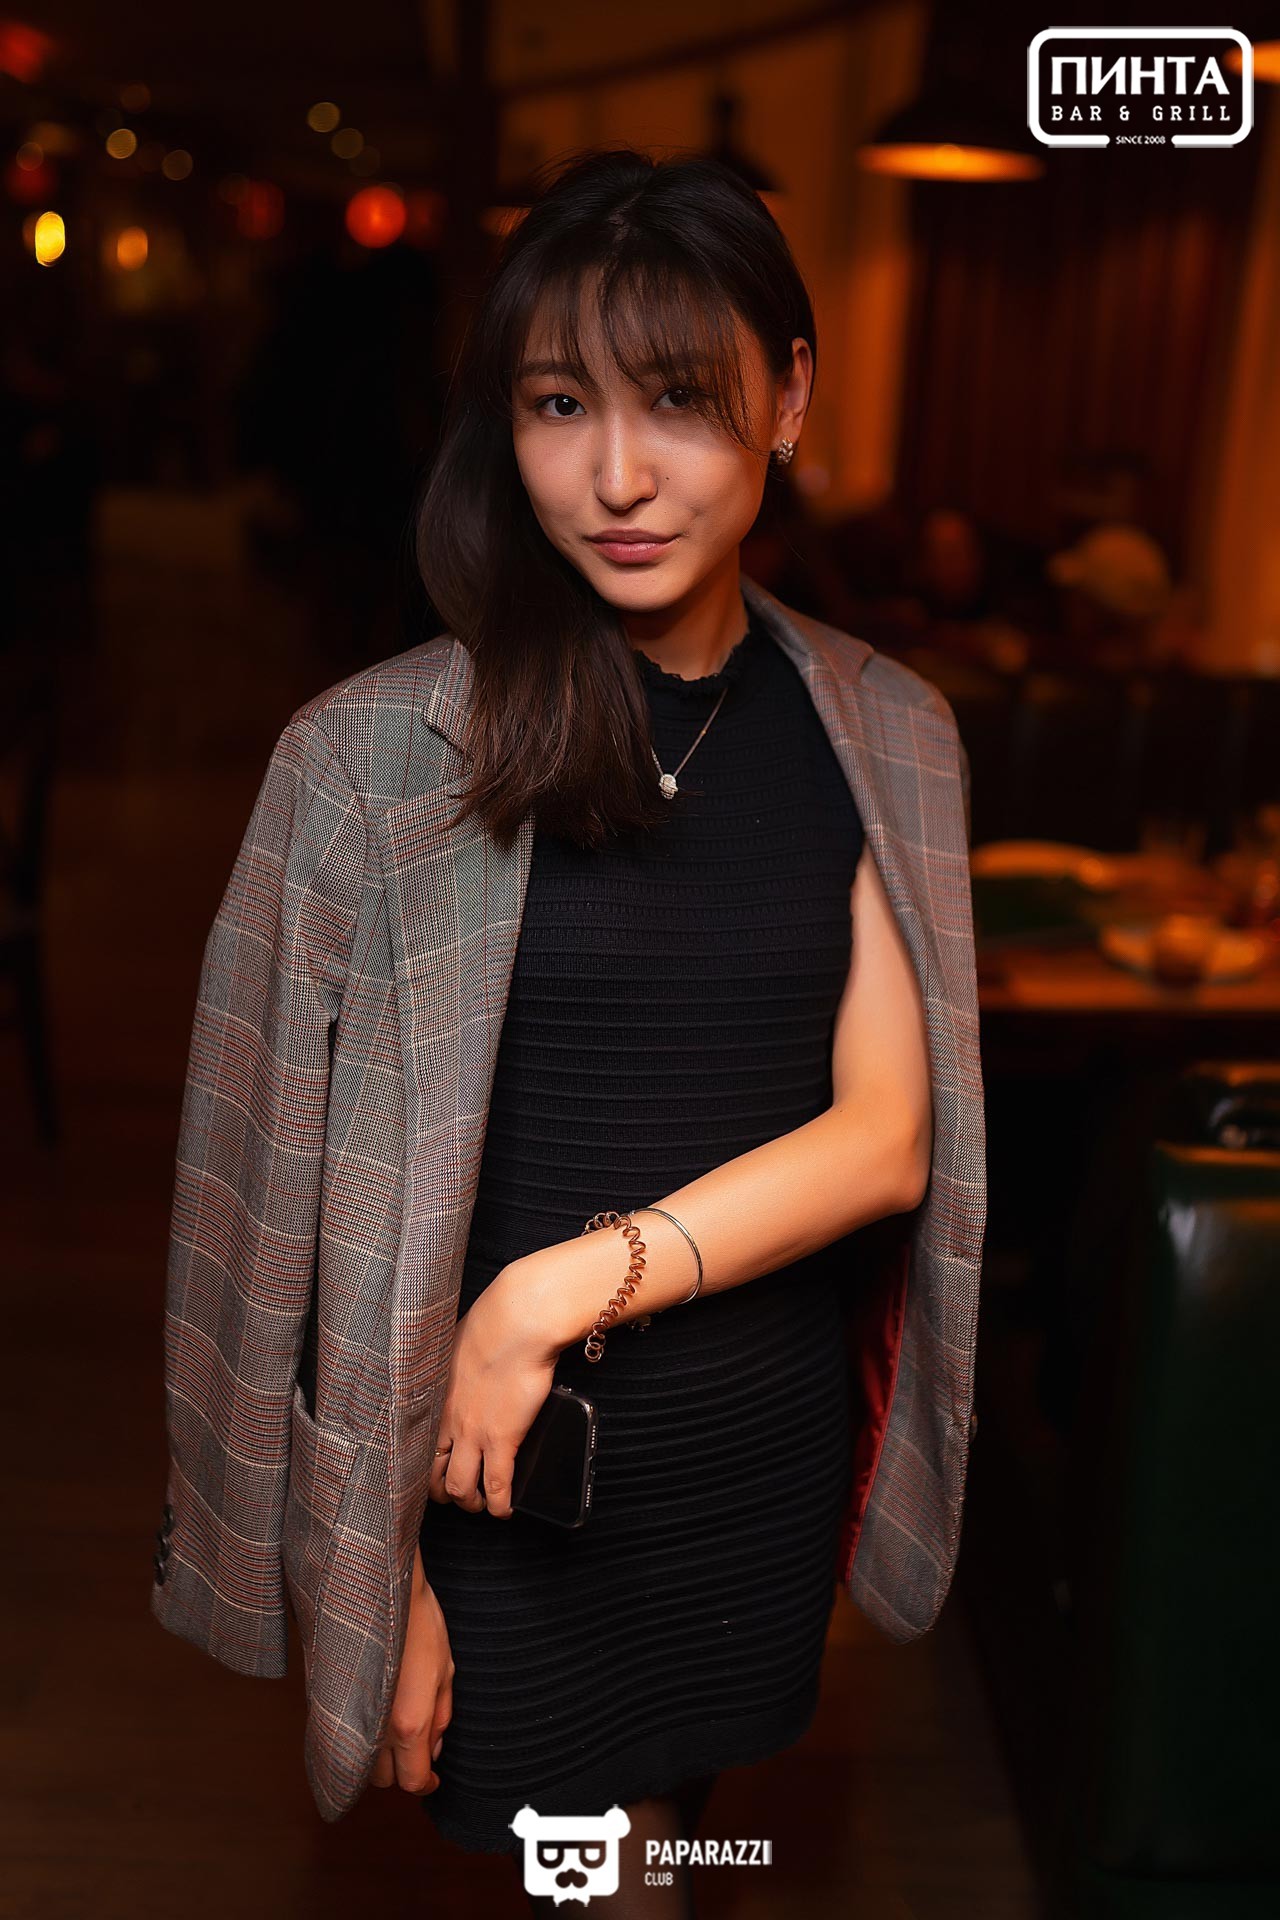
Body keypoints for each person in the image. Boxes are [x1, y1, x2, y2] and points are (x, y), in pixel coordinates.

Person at [150, 146, 983, 1919]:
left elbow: (887, 1138)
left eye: (679, 401)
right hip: (487, 1497)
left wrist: (548, 1293)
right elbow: (257, 1206)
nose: (615, 477)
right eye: (556, 405)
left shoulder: (883, 729)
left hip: (748, 1477)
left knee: (663, 1847)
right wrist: (373, 1562)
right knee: (598, 1882)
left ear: (789, 398)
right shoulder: (372, 759)